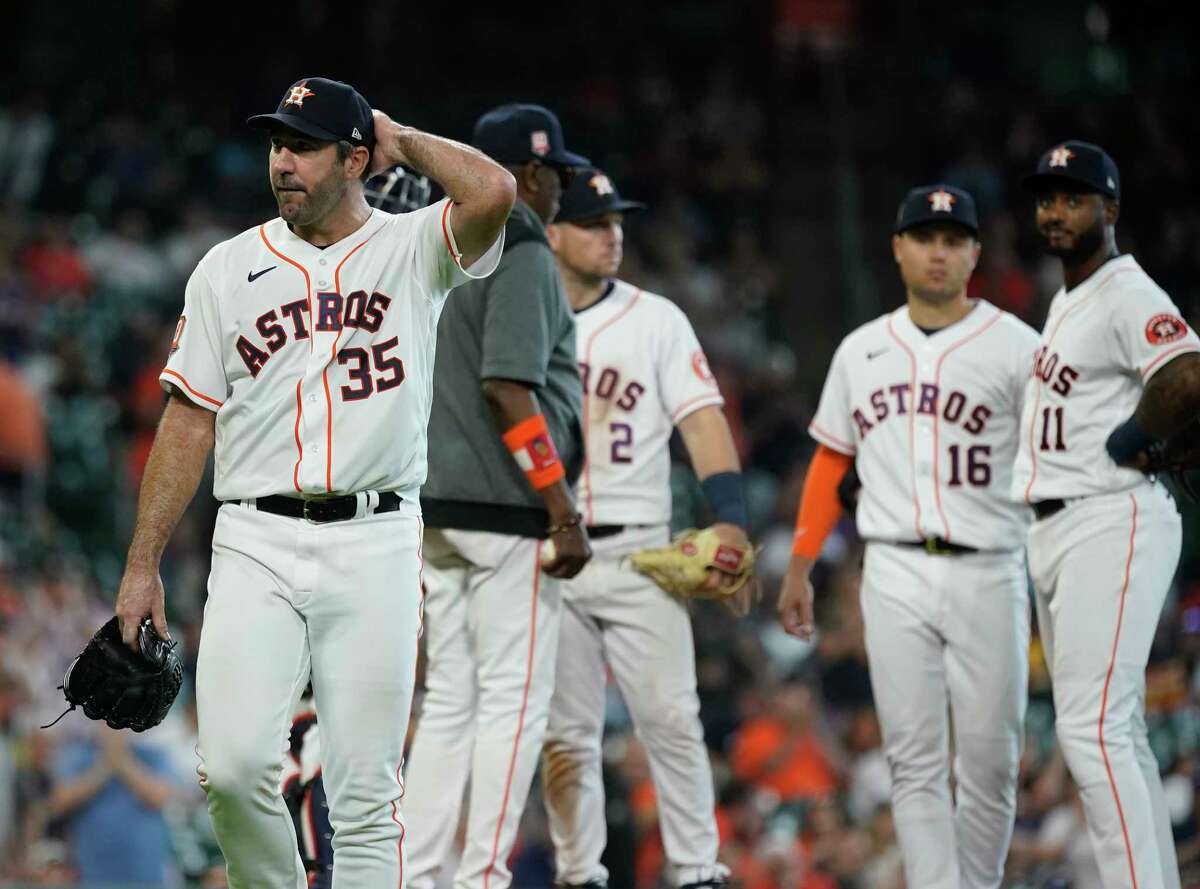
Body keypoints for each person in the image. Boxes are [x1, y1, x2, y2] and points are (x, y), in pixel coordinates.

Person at [113, 76, 514, 888]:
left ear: (355, 159)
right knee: (229, 769)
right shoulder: (228, 268)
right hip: (255, 537)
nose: (282, 162)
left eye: (302, 146)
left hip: (376, 538)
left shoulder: (413, 248)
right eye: (276, 144)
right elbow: (189, 422)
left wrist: (404, 140)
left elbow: (495, 190)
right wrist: (140, 563)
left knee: (366, 795)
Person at [776, 185, 1040, 889]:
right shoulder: (862, 350)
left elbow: (1056, 457)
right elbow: (833, 459)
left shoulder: (1020, 347)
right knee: (913, 759)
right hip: (892, 567)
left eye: (954, 239)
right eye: (925, 237)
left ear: (975, 254)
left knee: (989, 757)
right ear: (898, 248)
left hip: (990, 564)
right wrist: (801, 564)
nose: (938, 251)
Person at [538, 168, 748, 889]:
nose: (612, 235)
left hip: (638, 549)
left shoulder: (657, 319)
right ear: (553, 232)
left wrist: (733, 519)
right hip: (547, 552)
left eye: (617, 222)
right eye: (595, 223)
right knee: (565, 736)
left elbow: (703, 420)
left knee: (671, 716)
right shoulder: (519, 314)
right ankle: (578, 873)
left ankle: (697, 871)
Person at [401, 103, 591, 889]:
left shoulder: (440, 236)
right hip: (507, 512)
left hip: (438, 504)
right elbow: (509, 390)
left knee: (450, 699)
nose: (559, 192)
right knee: (513, 702)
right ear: (533, 175)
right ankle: (481, 875)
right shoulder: (521, 245)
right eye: (556, 176)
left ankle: (417, 873)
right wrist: (561, 506)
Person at [1014, 140, 1200, 889]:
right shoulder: (1066, 299)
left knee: (1092, 731)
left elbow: (1186, 378)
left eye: (1074, 197)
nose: (1056, 210)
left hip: (1109, 515)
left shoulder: (1127, 290)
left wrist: (1133, 435)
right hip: (1063, 525)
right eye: (1048, 197)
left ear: (1111, 209)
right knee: (1113, 731)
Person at [47, 725, 181, 887]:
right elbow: (60, 801)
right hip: (92, 875)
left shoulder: (153, 754)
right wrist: (105, 766)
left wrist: (122, 761)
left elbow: (160, 798)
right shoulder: (77, 754)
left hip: (145, 875)